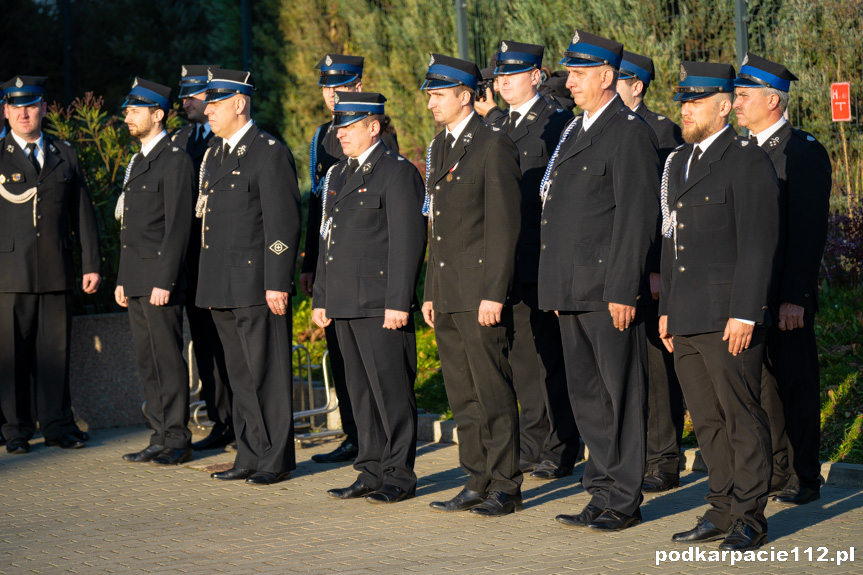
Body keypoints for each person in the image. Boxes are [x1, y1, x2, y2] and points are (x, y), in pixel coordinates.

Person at [537, 31, 659, 531]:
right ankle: (600, 490)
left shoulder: (627, 132)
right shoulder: (575, 128)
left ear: (607, 76)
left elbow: (637, 216)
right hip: (571, 289)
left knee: (620, 394)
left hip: (608, 290)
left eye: (579, 74)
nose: (570, 82)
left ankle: (625, 498)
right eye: (569, 73)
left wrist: (624, 287)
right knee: (587, 395)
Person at [659, 61, 779, 551]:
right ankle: (721, 507)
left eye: (696, 101)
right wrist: (667, 307)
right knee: (707, 419)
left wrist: (746, 311)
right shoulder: (680, 161)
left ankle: (750, 515)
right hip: (687, 314)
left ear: (725, 105)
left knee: (741, 414)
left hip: (728, 316)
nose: (686, 110)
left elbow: (758, 243)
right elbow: (671, 241)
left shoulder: (746, 160)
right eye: (683, 101)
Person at [420, 53, 524, 517]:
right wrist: (429, 290)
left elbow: (503, 225)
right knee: (461, 392)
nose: (430, 104)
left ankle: (506, 484)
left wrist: (493, 291)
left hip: (479, 291)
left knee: (491, 388)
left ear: (465, 96)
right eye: (429, 96)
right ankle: (475, 476)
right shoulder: (440, 146)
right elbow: (437, 226)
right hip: (447, 291)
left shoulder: (491, 144)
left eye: (439, 95)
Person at [312, 92, 426, 504]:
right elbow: (329, 242)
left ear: (373, 127)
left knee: (390, 391)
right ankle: (370, 468)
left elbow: (407, 242)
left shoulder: (396, 173)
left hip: (380, 303)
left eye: (349, 126)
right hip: (344, 301)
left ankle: (399, 474)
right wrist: (321, 297)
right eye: (338, 127)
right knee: (359, 392)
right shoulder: (340, 174)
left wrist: (399, 300)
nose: (340, 133)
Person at [733, 53, 832, 505]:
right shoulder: (743, 151)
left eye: (743, 95)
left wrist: (795, 295)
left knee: (795, 386)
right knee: (764, 387)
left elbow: (807, 231)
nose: (735, 104)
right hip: (751, 295)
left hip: (785, 295)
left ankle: (804, 476)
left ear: (772, 100)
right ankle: (774, 470)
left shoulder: (803, 151)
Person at [197, 68, 302, 485]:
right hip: (221, 284)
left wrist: (277, 279)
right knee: (239, 375)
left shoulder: (268, 151)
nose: (207, 110)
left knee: (267, 373)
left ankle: (275, 459)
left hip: (258, 284)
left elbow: (283, 225)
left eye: (216, 103)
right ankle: (249, 452)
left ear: (239, 104)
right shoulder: (216, 153)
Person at [302, 54, 399, 465]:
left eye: (338, 86)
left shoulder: (378, 136)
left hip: (367, 274)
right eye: (325, 88)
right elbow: (318, 206)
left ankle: (378, 446)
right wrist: (311, 262)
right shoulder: (322, 136)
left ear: (357, 86)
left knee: (374, 373)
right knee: (345, 364)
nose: (330, 95)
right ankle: (355, 435)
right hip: (334, 263)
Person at [492, 40, 580, 480]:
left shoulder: (557, 122)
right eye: (499, 74)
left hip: (539, 261)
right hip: (505, 264)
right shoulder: (494, 124)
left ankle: (560, 445)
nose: (503, 80)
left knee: (549, 357)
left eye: (514, 72)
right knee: (522, 359)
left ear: (536, 76)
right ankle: (533, 441)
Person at [0, 75, 101, 454]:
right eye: (16, 106)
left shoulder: (65, 153)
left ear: (43, 108)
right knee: (12, 355)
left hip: (56, 269)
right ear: (6, 111)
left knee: (55, 353)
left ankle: (58, 425)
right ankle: (16, 430)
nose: (24, 113)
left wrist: (91, 263)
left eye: (31, 105)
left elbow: (83, 214)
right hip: (9, 275)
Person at [115, 78, 195, 465]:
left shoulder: (175, 159)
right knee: (147, 359)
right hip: (137, 278)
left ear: (158, 114)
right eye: (127, 110)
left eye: (135, 110)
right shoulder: (139, 160)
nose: (127, 116)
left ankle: (177, 437)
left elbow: (178, 225)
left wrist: (166, 279)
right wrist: (122, 278)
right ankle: (159, 433)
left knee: (166, 357)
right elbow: (130, 225)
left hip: (160, 280)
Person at [616, 50, 686, 493]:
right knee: (628, 365)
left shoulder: (662, 131)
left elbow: (668, 206)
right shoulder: (609, 131)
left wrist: (658, 268)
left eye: (619, 79)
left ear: (637, 85)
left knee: (658, 367)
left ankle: (664, 458)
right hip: (620, 267)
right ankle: (636, 452)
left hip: (650, 269)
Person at [171, 64, 235, 452]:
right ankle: (219, 418)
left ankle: (238, 421)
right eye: (185, 95)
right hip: (191, 263)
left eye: (193, 95)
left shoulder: (225, 142)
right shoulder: (180, 139)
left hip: (221, 259)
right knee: (206, 346)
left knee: (228, 346)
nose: (187, 102)